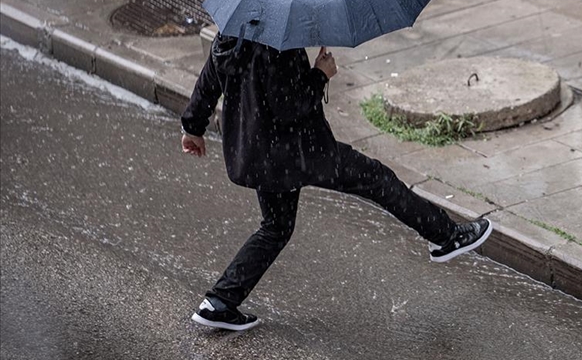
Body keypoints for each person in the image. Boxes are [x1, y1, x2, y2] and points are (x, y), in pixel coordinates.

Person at [181, 34, 492, 331]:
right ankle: (446, 236)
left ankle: (219, 302)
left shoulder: (231, 33)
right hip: (299, 152)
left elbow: (209, 80)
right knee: (375, 178)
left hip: (259, 152)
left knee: (275, 228)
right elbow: (289, 106)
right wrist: (321, 74)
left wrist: (192, 127)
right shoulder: (277, 45)